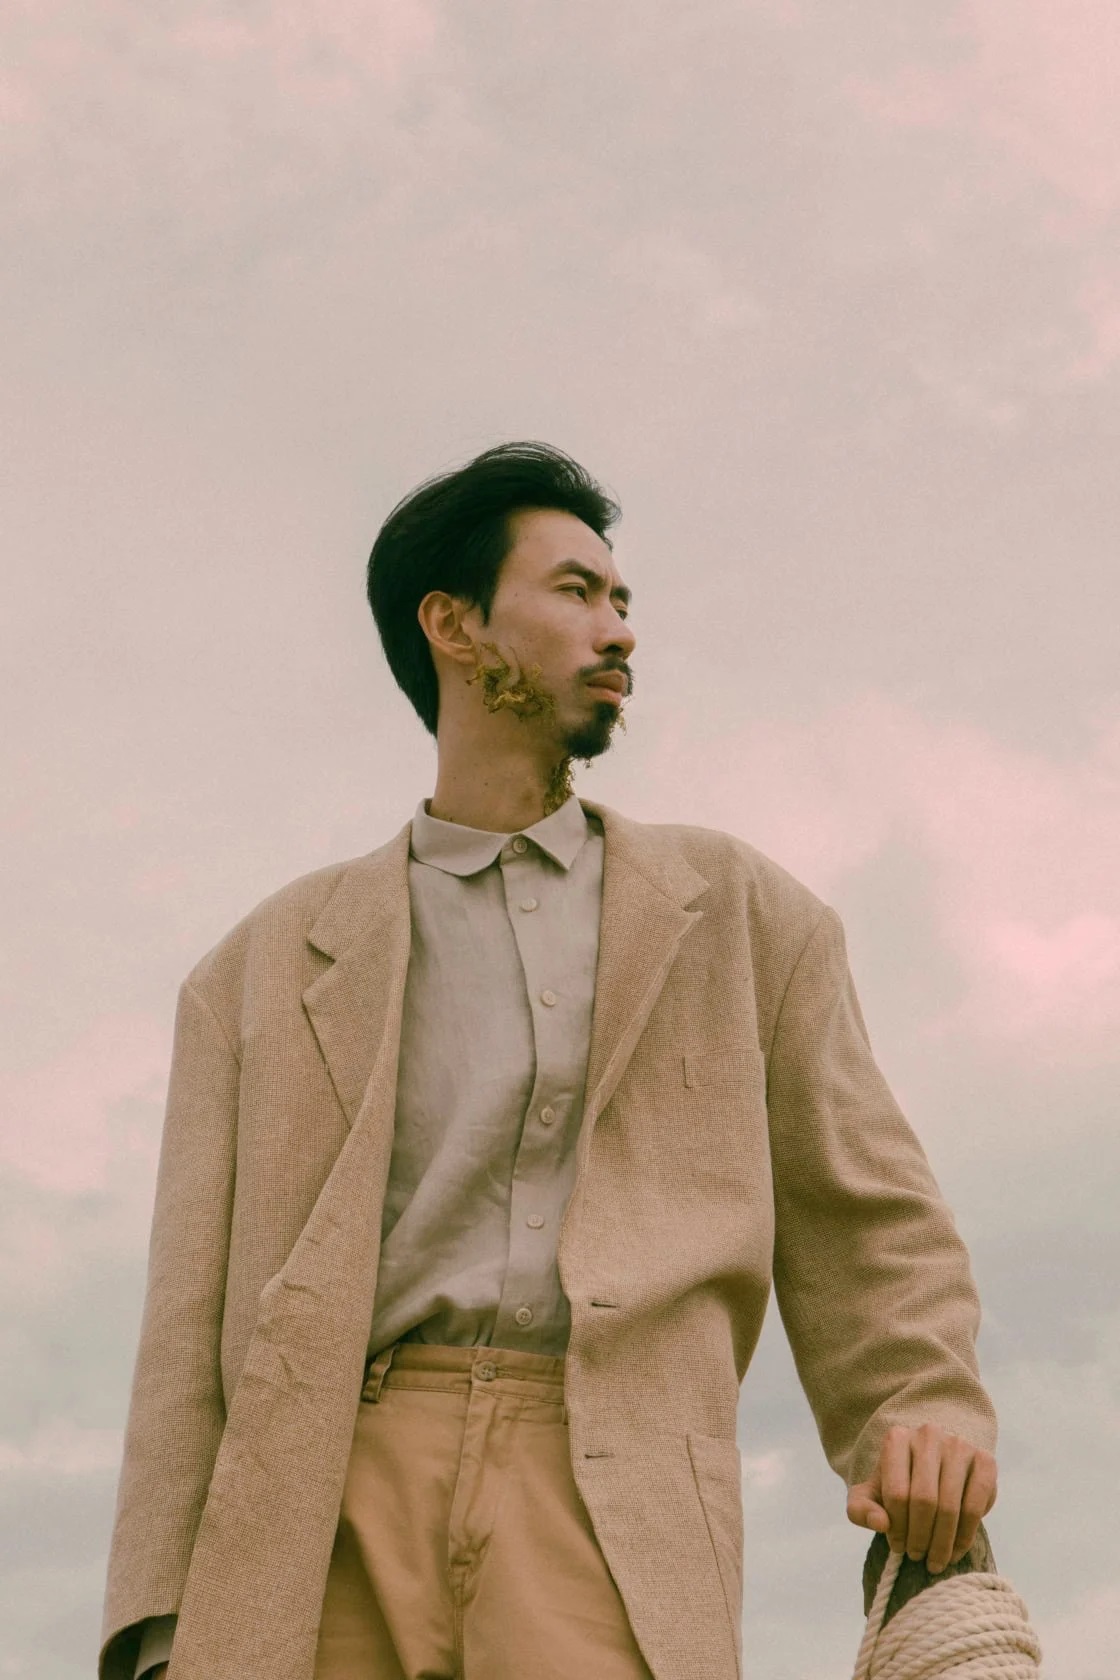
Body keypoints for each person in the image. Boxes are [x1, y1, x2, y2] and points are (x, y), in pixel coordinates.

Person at [99, 442, 998, 1680]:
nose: (618, 629)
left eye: (621, 599)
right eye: (575, 592)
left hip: (607, 1481)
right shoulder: (254, 970)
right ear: (453, 625)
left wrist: (922, 1410)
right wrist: (161, 1627)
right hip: (316, 1502)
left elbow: (870, 1217)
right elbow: (184, 1329)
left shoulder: (743, 918)